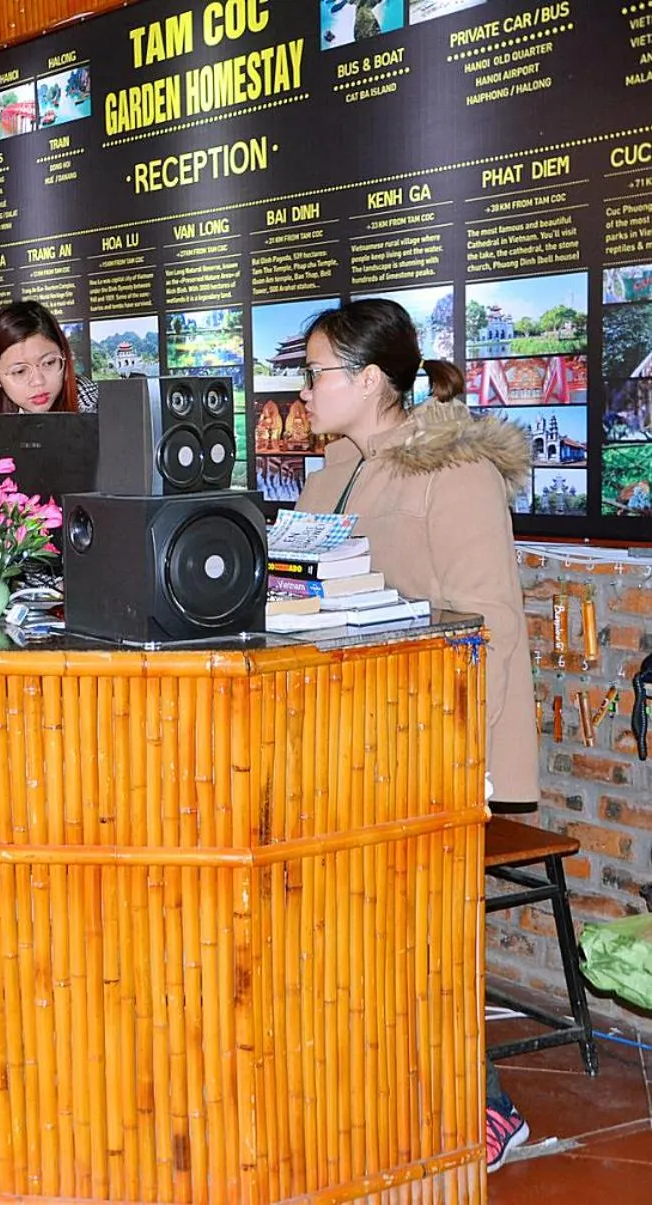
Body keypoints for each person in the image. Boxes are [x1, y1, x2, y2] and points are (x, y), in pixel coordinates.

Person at [293, 297, 535, 1171]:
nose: (304, 389)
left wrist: (470, 758)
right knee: (367, 937)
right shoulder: (333, 470)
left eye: (316, 372)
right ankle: (392, 1093)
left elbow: (492, 623)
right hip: (346, 737)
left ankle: (489, 1108)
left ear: (365, 379)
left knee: (423, 938)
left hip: (430, 741)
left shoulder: (453, 470)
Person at [0, 299, 97, 414]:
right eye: (20, 371)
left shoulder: (95, 410)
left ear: (64, 355)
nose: (38, 381)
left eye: (49, 363)